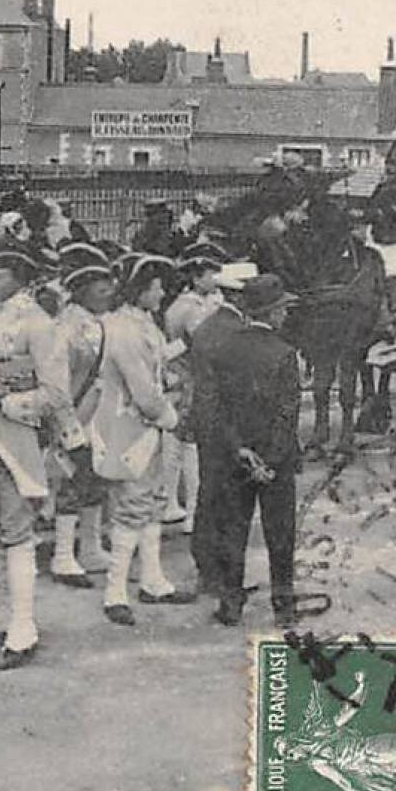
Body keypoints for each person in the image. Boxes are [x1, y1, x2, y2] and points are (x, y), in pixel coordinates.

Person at [0, 247, 69, 669]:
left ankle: (23, 627)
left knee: (18, 530)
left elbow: (56, 393)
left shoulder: (38, 324)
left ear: (20, 278)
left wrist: (5, 402)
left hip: (18, 437)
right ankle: (6, 613)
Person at [89, 255, 191, 626]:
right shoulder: (124, 331)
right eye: (157, 286)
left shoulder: (140, 323)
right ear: (141, 289)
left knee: (151, 502)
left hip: (142, 427)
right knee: (132, 506)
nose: (162, 293)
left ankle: (152, 579)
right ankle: (114, 591)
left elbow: (158, 361)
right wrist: (170, 416)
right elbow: (143, 390)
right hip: (127, 427)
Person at [209, 275, 302, 627]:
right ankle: (284, 606)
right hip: (275, 464)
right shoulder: (284, 354)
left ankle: (230, 603)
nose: (286, 316)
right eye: (283, 310)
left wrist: (241, 451)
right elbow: (286, 415)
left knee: (233, 529)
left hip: (236, 458)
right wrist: (271, 461)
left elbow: (218, 409)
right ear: (273, 312)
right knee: (280, 533)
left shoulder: (224, 350)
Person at [46, 255, 117, 586]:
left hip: (98, 413)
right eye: (101, 290)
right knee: (70, 482)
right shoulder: (66, 329)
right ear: (81, 291)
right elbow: (57, 382)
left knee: (93, 478)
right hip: (74, 413)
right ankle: (63, 554)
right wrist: (66, 422)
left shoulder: (98, 321)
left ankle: (89, 546)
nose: (108, 295)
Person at [187, 267, 250, 597]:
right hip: (230, 425)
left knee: (209, 494)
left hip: (207, 423)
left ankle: (208, 570)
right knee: (230, 500)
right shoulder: (238, 332)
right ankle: (223, 573)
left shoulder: (208, 326)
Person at [162, 242, 228, 534]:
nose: (215, 279)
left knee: (175, 443)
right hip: (192, 378)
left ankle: (169, 503)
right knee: (191, 446)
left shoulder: (187, 303)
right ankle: (193, 512)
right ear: (198, 276)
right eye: (211, 273)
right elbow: (203, 343)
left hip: (178, 379)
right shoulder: (190, 308)